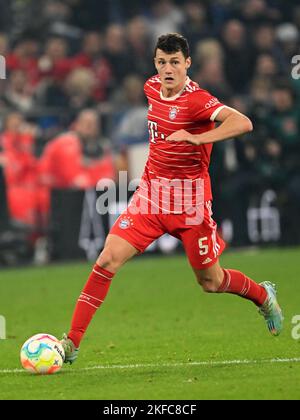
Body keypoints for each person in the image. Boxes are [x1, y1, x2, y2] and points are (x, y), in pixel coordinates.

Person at [61, 34, 283, 364]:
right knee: (107, 259)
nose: (168, 69)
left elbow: (243, 122)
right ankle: (72, 343)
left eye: (175, 62)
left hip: (191, 203)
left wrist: (198, 137)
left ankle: (263, 295)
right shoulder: (151, 88)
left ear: (187, 64)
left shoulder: (197, 100)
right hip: (151, 196)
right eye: (162, 62)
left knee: (211, 281)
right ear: (155, 63)